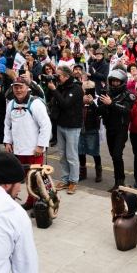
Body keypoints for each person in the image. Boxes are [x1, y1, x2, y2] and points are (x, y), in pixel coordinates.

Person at [4, 77, 51, 210]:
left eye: (21, 87)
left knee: (37, 178)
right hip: (19, 148)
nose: (18, 90)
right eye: (16, 87)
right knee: (26, 177)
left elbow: (45, 125)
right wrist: (8, 142)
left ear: (27, 88)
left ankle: (40, 203)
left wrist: (41, 145)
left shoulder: (35, 103)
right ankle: (31, 201)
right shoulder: (11, 104)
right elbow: (7, 125)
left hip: (34, 149)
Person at [97, 68, 135, 192]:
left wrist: (111, 103)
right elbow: (100, 110)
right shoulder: (108, 93)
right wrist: (98, 103)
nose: (114, 83)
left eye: (117, 81)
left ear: (122, 81)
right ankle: (117, 181)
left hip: (121, 128)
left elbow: (126, 110)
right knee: (113, 155)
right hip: (110, 128)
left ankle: (120, 182)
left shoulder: (129, 95)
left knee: (117, 155)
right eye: (113, 81)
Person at [50, 65, 84, 195]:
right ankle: (65, 179)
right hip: (61, 125)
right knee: (62, 155)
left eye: (58, 76)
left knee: (71, 156)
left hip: (72, 127)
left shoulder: (76, 88)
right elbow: (54, 101)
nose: (57, 78)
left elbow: (64, 104)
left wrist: (54, 90)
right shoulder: (61, 86)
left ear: (67, 76)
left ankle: (73, 181)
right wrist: (53, 88)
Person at [78, 80, 103, 183]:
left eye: (89, 89)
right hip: (80, 129)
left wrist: (92, 103)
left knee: (95, 152)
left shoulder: (98, 100)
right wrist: (81, 102)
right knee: (81, 152)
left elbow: (99, 112)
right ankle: (83, 172)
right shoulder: (80, 99)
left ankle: (99, 173)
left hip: (92, 129)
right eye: (85, 89)